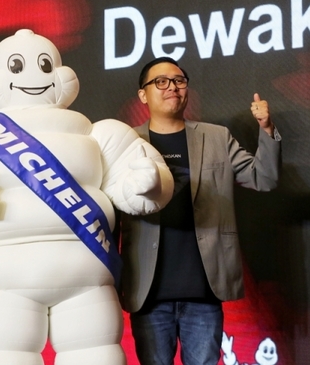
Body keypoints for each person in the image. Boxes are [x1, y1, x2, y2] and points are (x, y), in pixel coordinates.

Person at [119, 57, 281, 365]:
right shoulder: (127, 143)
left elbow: (265, 178)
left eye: (179, 81)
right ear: (143, 94)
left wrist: (267, 129)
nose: (172, 88)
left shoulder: (216, 136)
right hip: (148, 294)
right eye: (161, 82)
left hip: (204, 292)